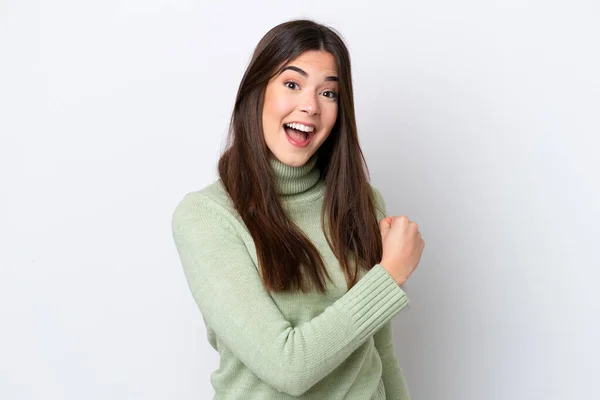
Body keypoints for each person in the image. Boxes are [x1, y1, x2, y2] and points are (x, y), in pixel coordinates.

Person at [171, 19, 425, 399]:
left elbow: (381, 353)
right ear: (257, 92)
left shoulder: (363, 203)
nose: (309, 106)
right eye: (292, 84)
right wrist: (388, 277)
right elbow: (286, 366)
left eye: (329, 93)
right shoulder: (206, 217)